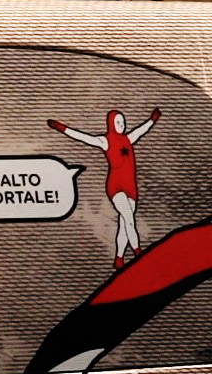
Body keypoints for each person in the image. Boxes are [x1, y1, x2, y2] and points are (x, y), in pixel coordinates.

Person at [49, 108, 161, 269]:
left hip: (131, 186)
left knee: (124, 223)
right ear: (111, 123)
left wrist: (152, 120)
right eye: (118, 122)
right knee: (129, 218)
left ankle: (119, 258)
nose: (121, 125)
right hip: (116, 186)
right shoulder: (105, 141)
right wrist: (63, 128)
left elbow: (141, 130)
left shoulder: (128, 139)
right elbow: (84, 137)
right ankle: (138, 252)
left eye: (123, 122)